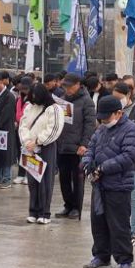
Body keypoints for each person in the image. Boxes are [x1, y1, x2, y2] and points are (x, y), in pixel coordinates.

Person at [81, 96, 135, 268]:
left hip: (119, 185)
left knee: (119, 224)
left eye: (107, 117)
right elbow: (90, 148)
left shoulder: (130, 129)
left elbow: (129, 156)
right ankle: (101, 256)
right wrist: (86, 162)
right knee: (98, 223)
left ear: (118, 113)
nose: (104, 121)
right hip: (99, 185)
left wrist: (103, 168)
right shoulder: (101, 130)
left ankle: (124, 260)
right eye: (102, 118)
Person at [19, 83, 65, 224]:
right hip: (29, 148)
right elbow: (23, 125)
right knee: (32, 180)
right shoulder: (29, 107)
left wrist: (38, 141)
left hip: (46, 148)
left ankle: (45, 213)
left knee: (45, 180)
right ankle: (33, 211)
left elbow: (54, 129)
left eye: (36, 96)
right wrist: (27, 141)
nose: (33, 99)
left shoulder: (55, 109)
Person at [112, 82, 135, 246]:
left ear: (128, 95)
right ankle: (119, 229)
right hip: (115, 161)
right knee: (119, 197)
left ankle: (132, 232)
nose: (116, 100)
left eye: (119, 98)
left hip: (134, 161)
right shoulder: (114, 113)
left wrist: (124, 143)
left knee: (134, 197)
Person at [56, 73, 96, 219]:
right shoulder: (62, 100)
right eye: (65, 86)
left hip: (78, 148)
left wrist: (84, 144)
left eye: (70, 86)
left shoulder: (87, 101)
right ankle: (68, 205)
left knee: (77, 180)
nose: (67, 89)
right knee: (63, 178)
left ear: (78, 84)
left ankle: (76, 208)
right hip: (62, 145)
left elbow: (90, 125)